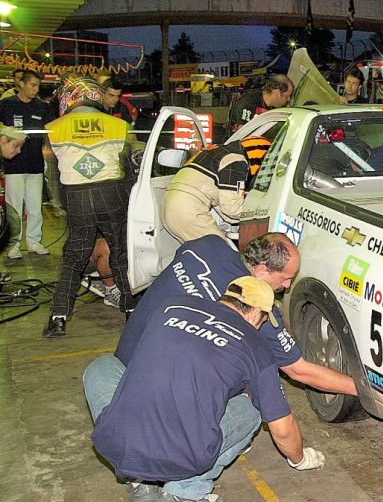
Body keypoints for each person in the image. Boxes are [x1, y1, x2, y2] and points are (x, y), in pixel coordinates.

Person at [83, 276, 325, 502]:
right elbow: (282, 429)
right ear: (256, 312)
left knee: (101, 366)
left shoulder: (171, 306)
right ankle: (186, 492)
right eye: (263, 320)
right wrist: (300, 459)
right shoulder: (256, 348)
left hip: (116, 444)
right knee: (253, 409)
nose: (260, 327)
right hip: (182, 458)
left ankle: (139, 480)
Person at [115, 232, 357, 397]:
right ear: (260, 270)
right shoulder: (257, 310)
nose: (287, 285)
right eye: (284, 278)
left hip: (121, 363)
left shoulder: (206, 245)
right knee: (256, 386)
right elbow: (299, 370)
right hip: (153, 394)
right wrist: (361, 388)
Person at [43, 78, 136, 338]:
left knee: (74, 257)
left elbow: (52, 175)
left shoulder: (54, 128)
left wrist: (62, 205)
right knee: (119, 252)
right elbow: (128, 171)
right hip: (111, 193)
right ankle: (130, 310)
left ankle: (58, 318)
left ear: (69, 98)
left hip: (76, 196)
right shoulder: (118, 125)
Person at [160, 136, 272, 244]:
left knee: (203, 253)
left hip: (171, 207)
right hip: (188, 210)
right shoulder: (235, 159)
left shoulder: (219, 152)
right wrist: (264, 213)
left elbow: (225, 206)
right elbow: (232, 208)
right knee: (221, 252)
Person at [0, 70, 55, 259]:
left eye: (38, 86)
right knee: (14, 207)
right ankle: (13, 244)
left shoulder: (42, 106)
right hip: (13, 165)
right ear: (21, 84)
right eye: (32, 85)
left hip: (35, 164)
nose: (35, 89)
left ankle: (34, 241)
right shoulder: (6, 105)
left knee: (34, 206)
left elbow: (51, 130)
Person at [227, 74, 294, 133]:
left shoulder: (270, 106)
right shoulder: (250, 102)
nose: (288, 99)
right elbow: (242, 131)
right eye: (286, 96)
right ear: (277, 92)